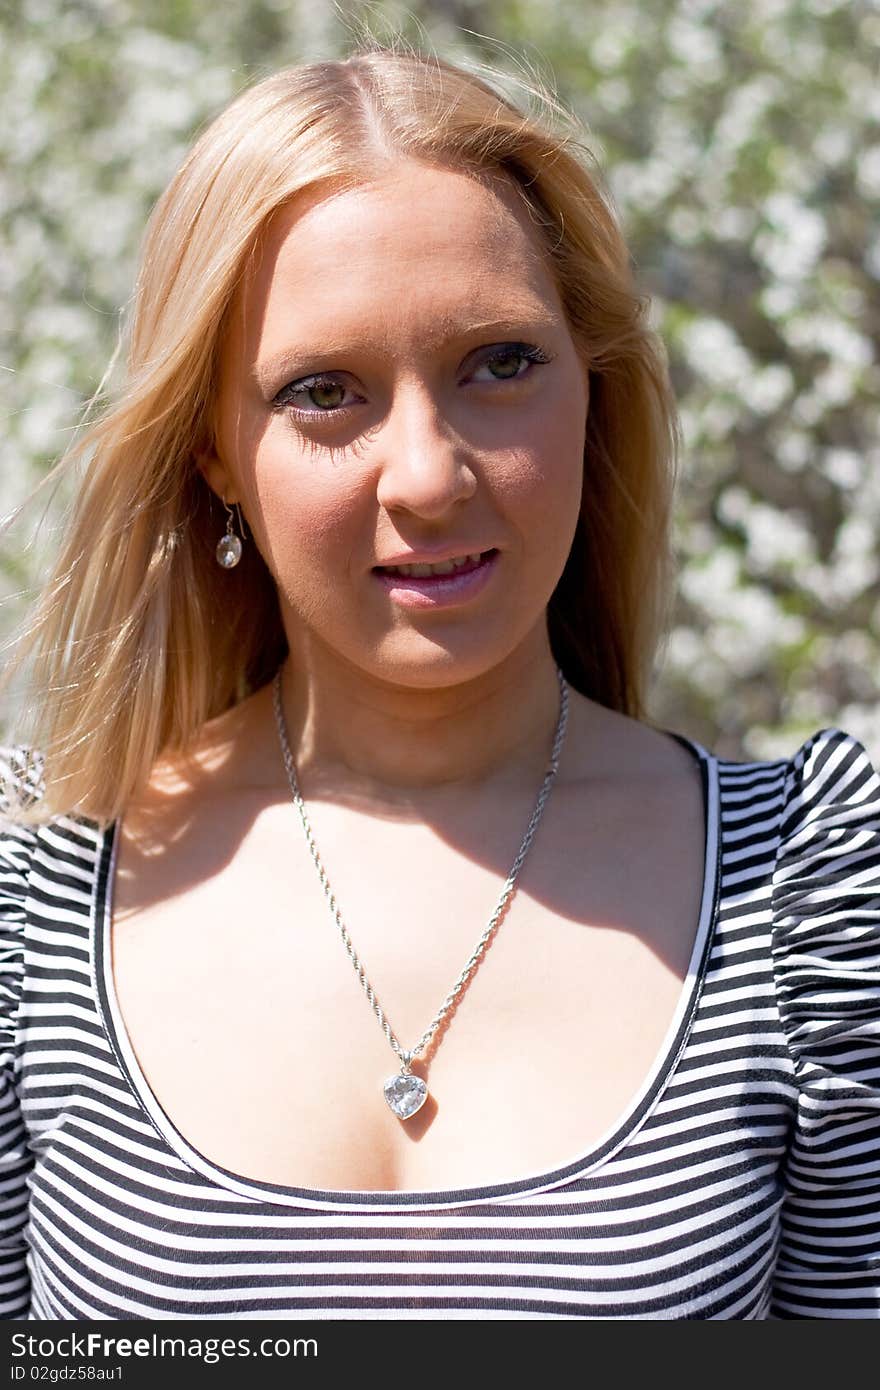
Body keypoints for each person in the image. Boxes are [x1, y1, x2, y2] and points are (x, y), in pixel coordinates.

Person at [1, 44, 878, 1323]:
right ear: (215, 457)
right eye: (323, 394)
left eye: (500, 364)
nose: (424, 475)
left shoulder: (807, 886)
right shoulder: (34, 891)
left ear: (596, 388)